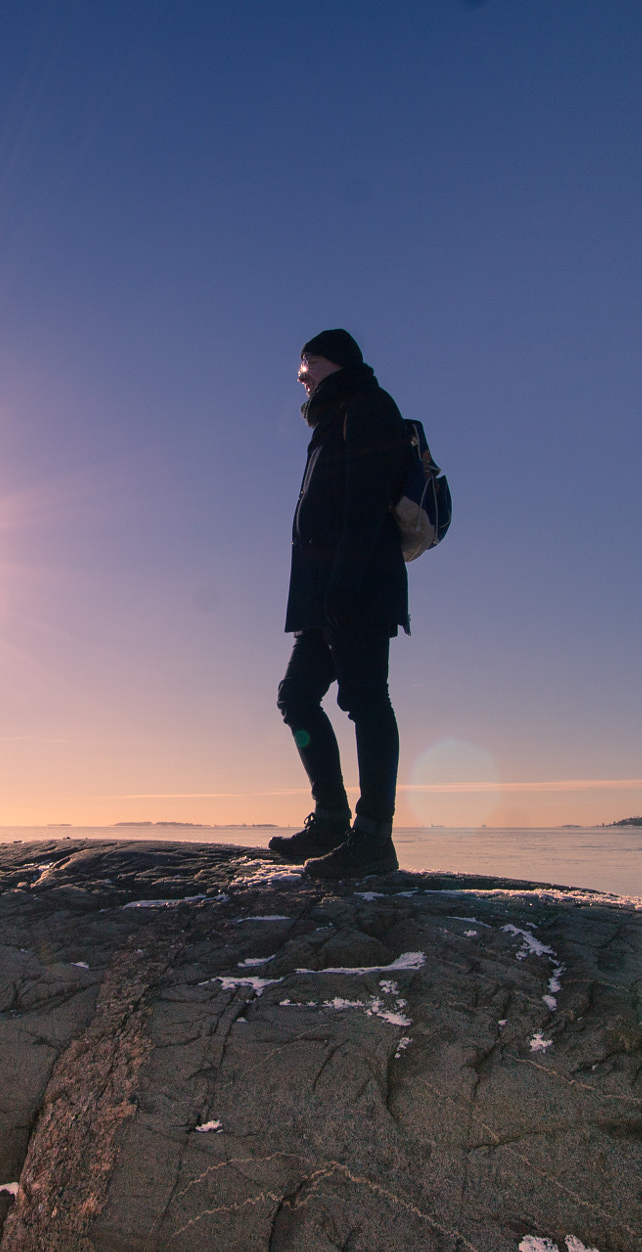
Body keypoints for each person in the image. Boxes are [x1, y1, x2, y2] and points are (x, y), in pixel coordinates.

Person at [268, 328, 407, 878]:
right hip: (323, 595)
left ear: (338, 363)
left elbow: (366, 505)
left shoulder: (368, 407)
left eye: (310, 363)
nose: (302, 376)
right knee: (297, 698)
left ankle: (374, 836)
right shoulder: (330, 417)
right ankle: (330, 819)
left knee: (366, 701)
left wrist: (344, 587)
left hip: (359, 588)